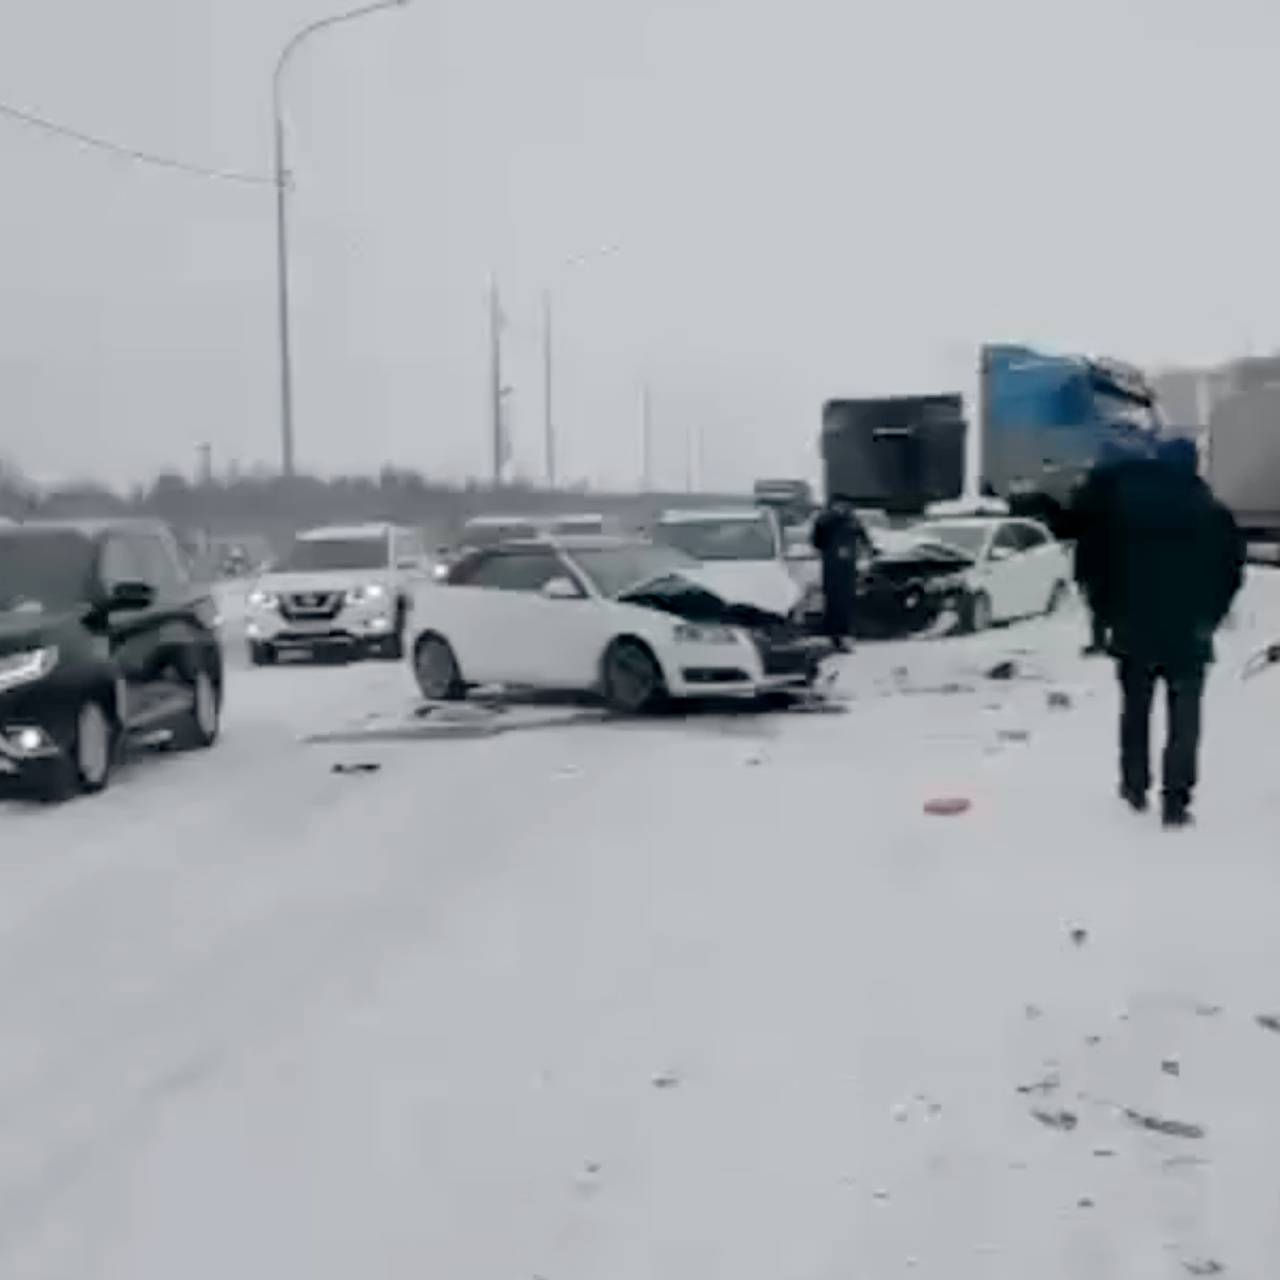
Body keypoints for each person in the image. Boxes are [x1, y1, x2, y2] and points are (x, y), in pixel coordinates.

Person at [1096, 436, 1244, 827]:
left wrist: (1109, 615)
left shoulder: (1124, 512)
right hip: (1187, 636)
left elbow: (1100, 567)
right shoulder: (1212, 512)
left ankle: (1134, 786)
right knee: (1185, 719)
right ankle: (1175, 801)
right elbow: (1230, 573)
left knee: (1135, 712)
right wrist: (1210, 616)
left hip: (1134, 631)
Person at [1071, 439, 1131, 656]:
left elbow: (1075, 522)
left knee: (1097, 602)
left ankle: (1100, 641)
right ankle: (1116, 640)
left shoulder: (1090, 490)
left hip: (1094, 555)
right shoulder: (1125, 487)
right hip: (1117, 555)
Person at [810, 495, 870, 650]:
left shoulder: (852, 520)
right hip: (833, 567)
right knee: (833, 601)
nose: (842, 508)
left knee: (845, 602)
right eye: (839, 505)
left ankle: (843, 635)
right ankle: (833, 635)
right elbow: (816, 541)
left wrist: (865, 550)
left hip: (847, 568)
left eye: (845, 505)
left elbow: (864, 538)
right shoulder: (825, 521)